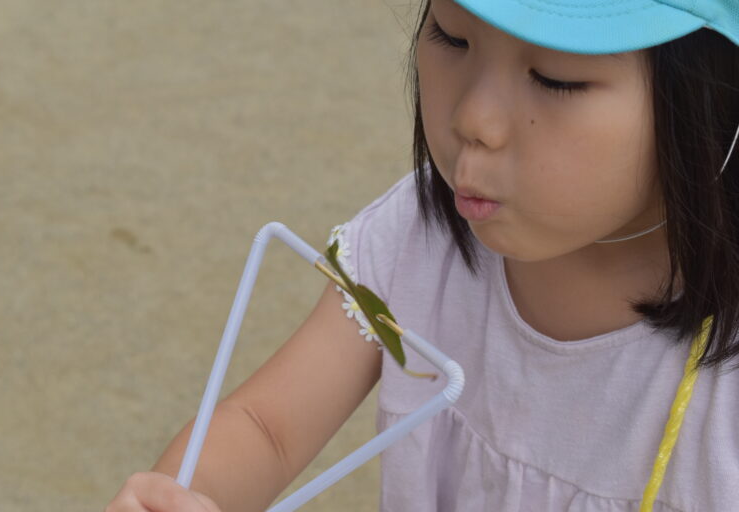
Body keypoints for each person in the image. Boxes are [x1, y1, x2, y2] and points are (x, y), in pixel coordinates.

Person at [106, 0, 739, 510]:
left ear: (713, 100)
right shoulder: (419, 241)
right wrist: (184, 495)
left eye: (554, 77)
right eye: (450, 36)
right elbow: (268, 428)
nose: (475, 118)